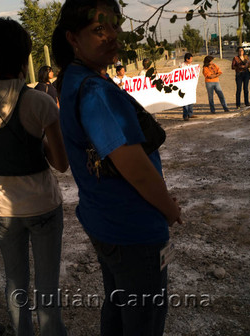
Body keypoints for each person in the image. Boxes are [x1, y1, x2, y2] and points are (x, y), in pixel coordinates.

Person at [52, 0, 182, 334]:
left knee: (119, 307)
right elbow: (135, 168)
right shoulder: (94, 91)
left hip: (108, 224)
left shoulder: (77, 79)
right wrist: (168, 209)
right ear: (73, 38)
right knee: (142, 321)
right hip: (132, 230)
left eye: (114, 26)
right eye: (98, 30)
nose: (112, 36)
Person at [0, 18, 69, 336]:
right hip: (43, 206)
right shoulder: (40, 102)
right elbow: (61, 163)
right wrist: (39, 144)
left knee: (14, 282)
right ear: (24, 59)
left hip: (3, 210)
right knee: (47, 287)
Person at [181, 53, 196, 120]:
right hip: (184, 85)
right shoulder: (182, 66)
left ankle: (190, 113)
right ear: (187, 59)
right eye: (191, 59)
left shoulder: (191, 66)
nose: (192, 60)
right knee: (185, 101)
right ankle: (185, 115)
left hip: (190, 85)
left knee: (190, 99)